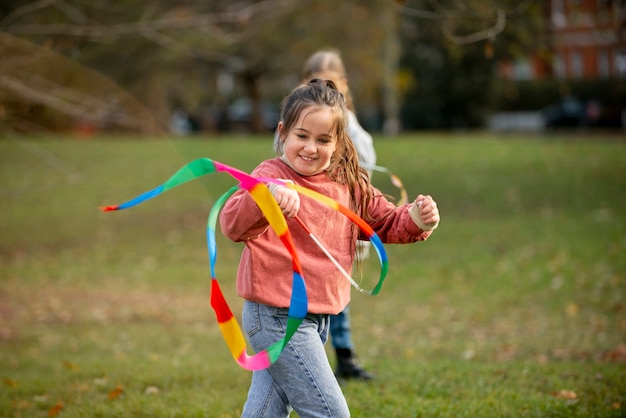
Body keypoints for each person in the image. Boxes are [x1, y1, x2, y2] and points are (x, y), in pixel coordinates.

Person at [220, 79, 440, 417]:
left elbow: (384, 223)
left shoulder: (348, 184)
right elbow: (232, 224)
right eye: (302, 136)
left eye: (323, 140)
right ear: (283, 133)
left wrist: (417, 219)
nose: (310, 148)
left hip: (317, 318)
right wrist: (267, 199)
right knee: (331, 413)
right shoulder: (270, 176)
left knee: (266, 409)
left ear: (338, 144)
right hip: (276, 317)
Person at [275, 48, 378, 380]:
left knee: (335, 294)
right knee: (309, 291)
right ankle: (307, 356)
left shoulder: (352, 129)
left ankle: (342, 356)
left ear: (344, 85)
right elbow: (279, 163)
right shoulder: (297, 123)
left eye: (333, 83)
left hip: (339, 226)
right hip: (301, 228)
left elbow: (365, 172)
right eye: (315, 82)